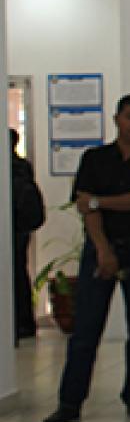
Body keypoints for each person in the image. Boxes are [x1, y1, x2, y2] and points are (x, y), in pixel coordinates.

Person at [43, 94, 130, 422]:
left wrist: (100, 202)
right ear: (117, 119)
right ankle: (70, 401)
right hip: (101, 247)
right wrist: (103, 249)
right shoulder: (95, 158)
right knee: (86, 327)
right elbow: (85, 209)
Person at [11, 128, 45, 343]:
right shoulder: (22, 166)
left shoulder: (12, 168)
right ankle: (25, 322)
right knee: (19, 273)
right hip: (21, 228)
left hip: (13, 227)